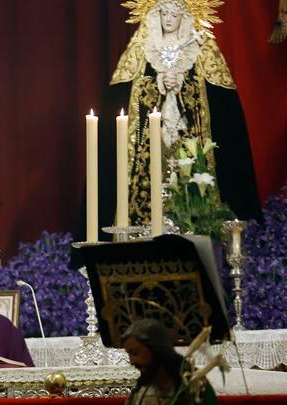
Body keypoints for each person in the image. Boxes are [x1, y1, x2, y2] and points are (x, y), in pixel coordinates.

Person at [99, 0, 261, 234]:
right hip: (150, 147)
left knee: (192, 182)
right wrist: (158, 84)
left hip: (189, 139)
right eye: (164, 13)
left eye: (175, 14)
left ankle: (201, 229)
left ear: (185, 15)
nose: (168, 19)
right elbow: (126, 98)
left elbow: (222, 109)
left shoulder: (200, 46)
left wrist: (182, 85)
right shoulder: (141, 48)